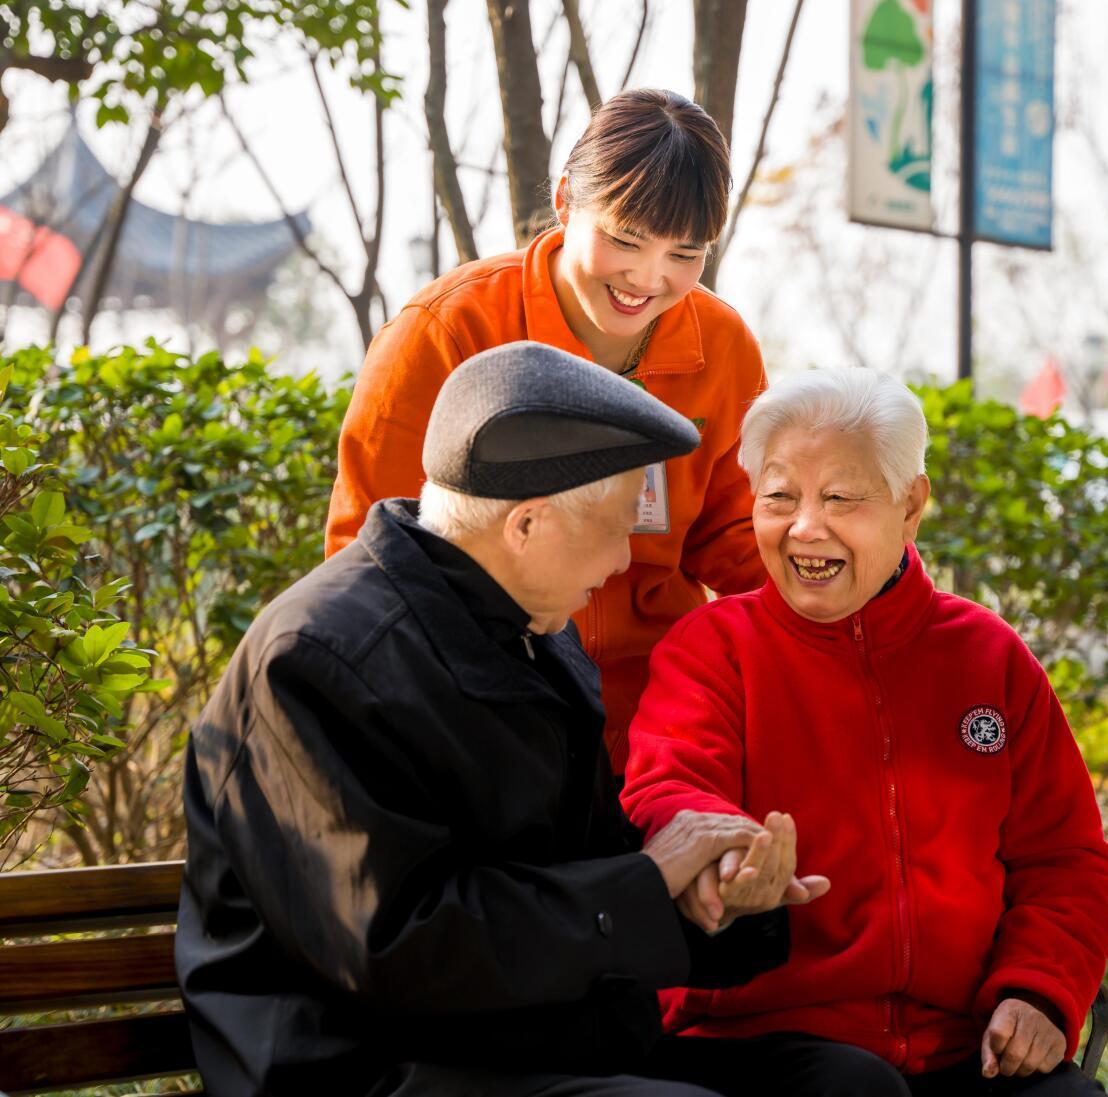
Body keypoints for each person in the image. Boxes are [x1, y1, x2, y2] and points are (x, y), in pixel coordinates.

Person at [176, 342, 856, 1097]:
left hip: (538, 1040)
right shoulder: (316, 660)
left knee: (846, 1082)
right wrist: (642, 881)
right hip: (370, 1066)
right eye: (616, 526)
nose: (628, 559)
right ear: (526, 525)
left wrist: (716, 898)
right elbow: (400, 949)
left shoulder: (533, 626)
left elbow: (574, 865)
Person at [621, 368, 1108, 1096]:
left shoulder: (988, 656)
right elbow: (670, 787)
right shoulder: (714, 648)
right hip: (760, 1035)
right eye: (779, 497)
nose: (804, 527)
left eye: (840, 498)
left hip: (965, 1038)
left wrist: (1038, 991)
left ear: (910, 505)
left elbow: (1067, 857)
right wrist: (731, 859)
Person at [325, 89, 769, 773]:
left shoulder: (723, 344)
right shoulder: (446, 333)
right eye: (624, 238)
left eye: (686, 252)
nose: (647, 278)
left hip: (665, 734)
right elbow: (368, 558)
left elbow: (743, 544)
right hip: (481, 726)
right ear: (565, 198)